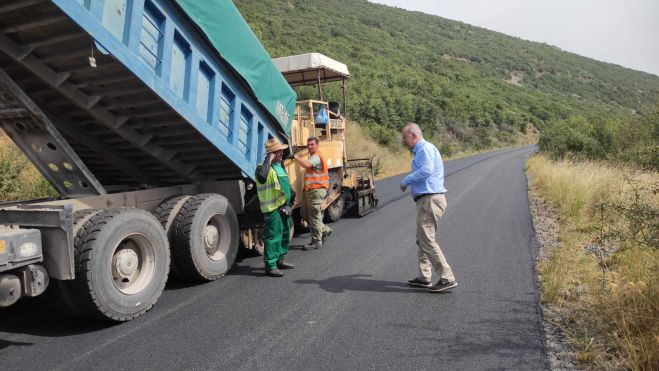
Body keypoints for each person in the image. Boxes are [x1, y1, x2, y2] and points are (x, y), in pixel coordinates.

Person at [400, 123, 458, 293]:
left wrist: (406, 181)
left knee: (426, 240)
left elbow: (426, 170)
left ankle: (447, 278)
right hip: (428, 200)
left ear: (414, 136)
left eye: (405, 137)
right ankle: (425, 278)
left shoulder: (424, 148)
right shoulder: (424, 149)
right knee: (423, 239)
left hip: (429, 200)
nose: (404, 141)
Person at [255, 138, 295, 277]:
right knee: (273, 237)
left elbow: (284, 185)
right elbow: (262, 177)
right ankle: (270, 266)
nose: (282, 153)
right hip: (273, 210)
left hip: (284, 208)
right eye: (279, 151)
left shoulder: (279, 166)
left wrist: (290, 200)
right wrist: (269, 159)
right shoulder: (263, 167)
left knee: (284, 235)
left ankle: (280, 260)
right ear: (272, 153)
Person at [293, 137, 332, 250]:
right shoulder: (313, 156)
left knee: (314, 216)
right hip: (310, 190)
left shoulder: (316, 157)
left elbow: (307, 165)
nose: (310, 147)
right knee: (304, 213)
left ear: (317, 145)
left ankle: (316, 241)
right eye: (308, 145)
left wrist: (296, 157)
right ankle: (325, 230)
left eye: (312, 144)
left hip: (316, 190)